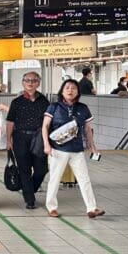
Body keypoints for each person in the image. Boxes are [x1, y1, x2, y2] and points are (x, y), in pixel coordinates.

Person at [42, 79, 103, 218]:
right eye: (67, 88)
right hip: (58, 149)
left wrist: (92, 146)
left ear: (78, 92)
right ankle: (52, 207)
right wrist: (46, 144)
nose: (70, 90)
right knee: (55, 179)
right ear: (62, 91)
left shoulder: (83, 108)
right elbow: (45, 126)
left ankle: (91, 208)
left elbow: (87, 129)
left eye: (74, 88)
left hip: (77, 150)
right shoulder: (54, 107)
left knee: (84, 179)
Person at [5, 72, 49, 210]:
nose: (30, 83)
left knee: (42, 169)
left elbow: (48, 121)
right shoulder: (16, 102)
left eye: (34, 80)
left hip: (39, 138)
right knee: (24, 170)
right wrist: (8, 140)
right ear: (23, 83)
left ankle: (29, 189)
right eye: (27, 80)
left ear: (38, 83)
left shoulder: (44, 101)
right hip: (20, 138)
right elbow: (10, 122)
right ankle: (30, 200)